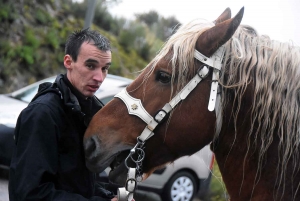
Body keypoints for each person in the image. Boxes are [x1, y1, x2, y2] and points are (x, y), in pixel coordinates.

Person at [9, 28, 118, 201]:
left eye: (105, 68)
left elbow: (76, 183)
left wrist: (108, 197)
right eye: (90, 66)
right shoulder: (43, 114)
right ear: (68, 61)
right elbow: (30, 194)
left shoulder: (85, 111)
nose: (99, 77)